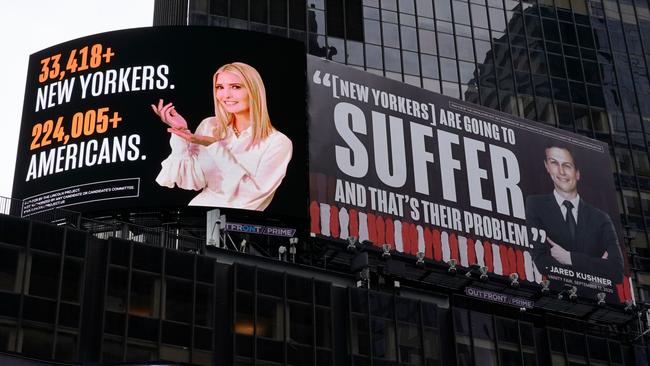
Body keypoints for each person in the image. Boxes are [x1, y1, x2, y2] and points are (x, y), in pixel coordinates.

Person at [151, 62, 293, 211]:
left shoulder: (278, 143)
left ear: (254, 90)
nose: (225, 95)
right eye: (220, 87)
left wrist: (215, 147)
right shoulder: (210, 125)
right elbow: (194, 181)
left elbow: (249, 196)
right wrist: (181, 132)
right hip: (195, 217)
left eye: (236, 87)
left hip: (235, 227)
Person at [526, 145, 623, 283]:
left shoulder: (601, 218)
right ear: (547, 166)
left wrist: (569, 258)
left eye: (567, 165)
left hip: (599, 296)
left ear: (577, 173)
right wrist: (597, 265)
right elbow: (542, 263)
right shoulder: (535, 205)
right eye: (554, 163)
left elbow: (616, 272)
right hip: (558, 295)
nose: (561, 171)